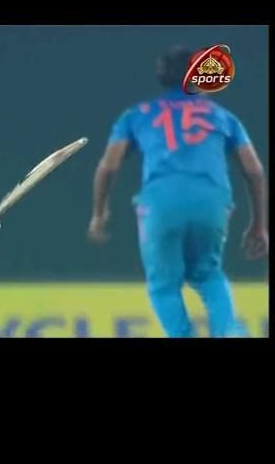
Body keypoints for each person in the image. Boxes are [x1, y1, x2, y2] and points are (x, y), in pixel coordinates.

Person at [87, 45, 268, 338]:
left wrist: (99, 212)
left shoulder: (137, 115)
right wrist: (259, 224)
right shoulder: (222, 116)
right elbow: (254, 170)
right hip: (212, 201)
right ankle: (230, 331)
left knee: (163, 285)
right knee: (208, 274)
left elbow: (109, 165)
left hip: (161, 203)